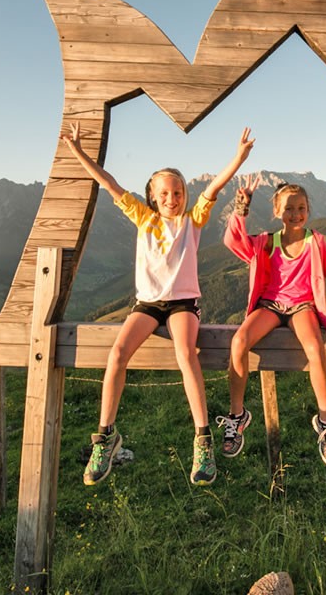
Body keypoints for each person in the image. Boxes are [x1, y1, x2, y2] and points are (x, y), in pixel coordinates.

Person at [60, 123, 255, 487]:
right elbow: (109, 183)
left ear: (184, 195)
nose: (172, 197)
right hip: (147, 303)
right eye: (165, 193)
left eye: (178, 191)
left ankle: (203, 441)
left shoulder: (192, 220)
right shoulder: (143, 218)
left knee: (186, 353)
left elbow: (214, 188)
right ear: (153, 197)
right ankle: (105, 436)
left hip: (182, 304)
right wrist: (78, 152)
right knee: (117, 353)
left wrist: (239, 157)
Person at [219, 175, 326, 466]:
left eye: (301, 208)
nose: (295, 214)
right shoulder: (267, 242)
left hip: (302, 306)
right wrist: (241, 207)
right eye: (289, 209)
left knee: (314, 348)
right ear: (276, 212)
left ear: (308, 210)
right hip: (270, 305)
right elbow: (232, 241)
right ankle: (237, 415)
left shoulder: (316, 242)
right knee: (239, 341)